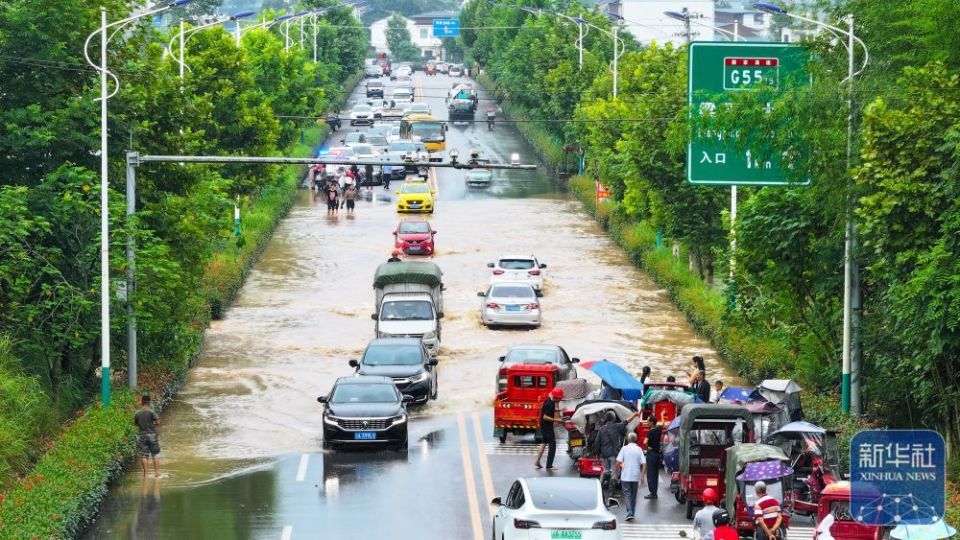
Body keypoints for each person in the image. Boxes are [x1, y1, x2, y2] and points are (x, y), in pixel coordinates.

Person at [594, 409, 640, 487]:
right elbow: (626, 421)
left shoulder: (601, 429)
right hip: (613, 454)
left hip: (604, 454)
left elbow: (597, 442)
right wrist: (634, 415)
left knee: (606, 471)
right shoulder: (617, 426)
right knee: (614, 473)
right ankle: (611, 493)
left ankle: (600, 487)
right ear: (614, 418)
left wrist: (597, 454)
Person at [615, 432, 646, 521]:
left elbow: (618, 462)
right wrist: (642, 475)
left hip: (625, 476)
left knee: (627, 495)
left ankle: (630, 512)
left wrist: (617, 472)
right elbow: (644, 463)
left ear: (628, 440)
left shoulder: (624, 449)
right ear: (635, 440)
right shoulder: (639, 449)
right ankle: (632, 512)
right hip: (635, 476)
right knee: (633, 495)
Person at [534, 388, 564, 470]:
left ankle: (537, 461)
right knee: (552, 444)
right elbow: (545, 417)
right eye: (560, 398)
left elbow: (550, 411)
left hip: (543, 425)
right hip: (546, 426)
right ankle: (549, 465)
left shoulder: (550, 400)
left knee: (544, 443)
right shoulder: (550, 404)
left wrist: (560, 409)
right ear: (556, 397)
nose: (561, 399)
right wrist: (556, 420)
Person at [134, 394, 161, 478]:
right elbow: (158, 423)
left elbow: (136, 424)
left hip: (142, 435)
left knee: (144, 455)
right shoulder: (151, 412)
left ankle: (145, 474)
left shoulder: (137, 413)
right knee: (155, 454)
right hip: (152, 435)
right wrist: (152, 424)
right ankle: (156, 473)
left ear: (142, 401)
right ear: (149, 402)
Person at [643, 418, 664, 499]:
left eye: (648, 421)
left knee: (651, 474)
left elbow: (645, 442)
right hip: (658, 454)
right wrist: (662, 416)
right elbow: (661, 423)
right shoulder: (659, 430)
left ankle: (652, 493)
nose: (647, 423)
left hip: (651, 454)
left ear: (652, 422)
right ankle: (654, 492)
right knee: (655, 474)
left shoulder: (650, 432)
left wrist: (647, 447)